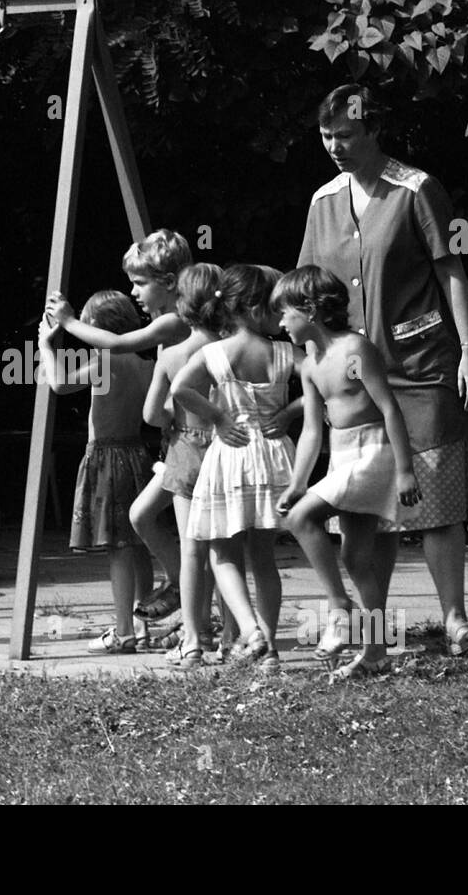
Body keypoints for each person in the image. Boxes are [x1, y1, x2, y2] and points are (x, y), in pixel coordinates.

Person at [297, 84, 468, 657]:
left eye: (346, 135)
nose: (335, 146)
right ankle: (372, 629)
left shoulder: (417, 189)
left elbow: (451, 269)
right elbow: (306, 289)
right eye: (327, 135)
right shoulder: (322, 201)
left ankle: (455, 618)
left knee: (436, 496)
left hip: (421, 366)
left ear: (374, 130)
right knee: (364, 509)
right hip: (355, 381)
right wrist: (312, 367)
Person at [272, 266, 423, 679]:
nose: (281, 322)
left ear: (311, 310)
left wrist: (405, 469)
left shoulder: (355, 351)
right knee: (357, 558)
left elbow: (390, 408)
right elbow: (310, 429)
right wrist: (298, 481)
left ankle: (341, 607)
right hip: (342, 453)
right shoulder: (309, 365)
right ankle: (376, 653)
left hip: (374, 452)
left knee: (301, 517)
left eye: (286, 313)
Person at [46, 228, 192, 623]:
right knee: (140, 529)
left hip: (131, 454)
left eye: (140, 283)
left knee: (128, 542)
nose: (135, 291)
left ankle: (167, 599)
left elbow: (63, 380)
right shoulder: (150, 355)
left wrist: (58, 331)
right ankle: (169, 597)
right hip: (150, 450)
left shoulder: (156, 333)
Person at [170, 264, 298, 668]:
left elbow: (180, 390)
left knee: (222, 553)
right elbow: (324, 389)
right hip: (274, 456)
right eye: (275, 306)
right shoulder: (284, 352)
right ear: (255, 307)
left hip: (231, 455)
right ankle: (270, 647)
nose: (281, 315)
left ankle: (249, 629)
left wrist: (218, 417)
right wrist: (291, 410)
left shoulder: (214, 353)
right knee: (263, 557)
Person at [38, 290, 155, 654]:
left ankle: (122, 630)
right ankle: (144, 622)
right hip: (138, 453)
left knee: (117, 548)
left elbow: (59, 383)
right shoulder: (146, 364)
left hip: (107, 457)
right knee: (138, 546)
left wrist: (45, 345)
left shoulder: (107, 361)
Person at [140, 263, 228, 665]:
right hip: (226, 450)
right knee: (227, 549)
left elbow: (152, 415)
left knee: (191, 551)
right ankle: (233, 634)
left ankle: (192, 638)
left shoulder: (173, 356)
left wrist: (172, 415)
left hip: (186, 452)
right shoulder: (233, 350)